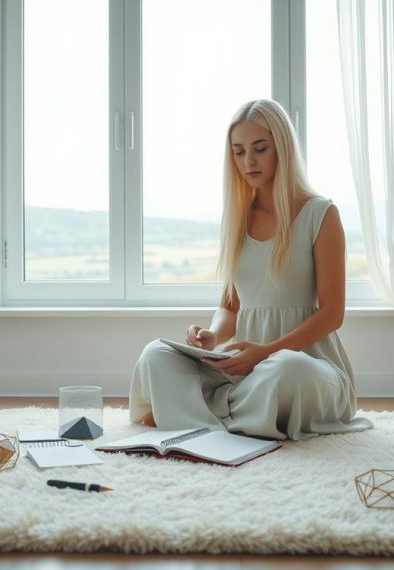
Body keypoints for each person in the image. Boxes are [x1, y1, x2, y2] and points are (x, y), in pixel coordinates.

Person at [127, 98, 373, 440]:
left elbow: (333, 314)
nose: (248, 161)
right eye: (238, 152)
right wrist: (212, 336)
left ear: (281, 149)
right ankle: (233, 414)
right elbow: (230, 305)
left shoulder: (321, 214)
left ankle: (193, 412)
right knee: (156, 354)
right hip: (245, 370)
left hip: (306, 367)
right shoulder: (238, 217)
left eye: (259, 149)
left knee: (287, 369)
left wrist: (267, 352)